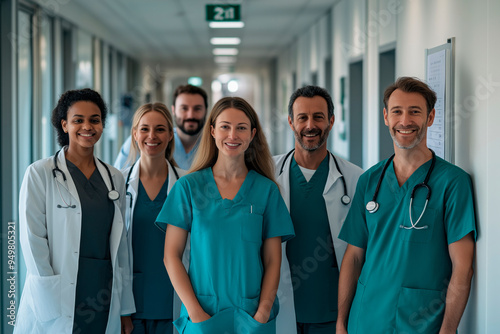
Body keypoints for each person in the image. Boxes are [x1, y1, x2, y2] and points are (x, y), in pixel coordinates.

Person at [337, 77, 477, 334]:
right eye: (397, 112)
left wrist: (448, 330)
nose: (405, 121)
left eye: (415, 112)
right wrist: (341, 323)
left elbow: (463, 267)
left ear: (430, 117)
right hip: (366, 319)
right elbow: (354, 256)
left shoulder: (452, 182)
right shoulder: (370, 180)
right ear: (386, 117)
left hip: (423, 322)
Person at [156, 97, 295, 334]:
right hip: (202, 314)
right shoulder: (189, 188)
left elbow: (273, 261)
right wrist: (195, 313)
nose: (233, 135)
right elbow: (171, 256)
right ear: (212, 131)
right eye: (225, 127)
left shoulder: (266, 191)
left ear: (252, 134)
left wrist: (262, 311)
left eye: (241, 128)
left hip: (251, 316)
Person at [16, 88, 135, 334]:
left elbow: (121, 245)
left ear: (103, 124)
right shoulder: (40, 173)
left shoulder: (114, 178)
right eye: (78, 120)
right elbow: (32, 240)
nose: (87, 127)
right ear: (65, 125)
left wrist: (124, 308)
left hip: (102, 294)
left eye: (95, 119)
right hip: (57, 295)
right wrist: (48, 296)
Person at [274, 85, 363, 334]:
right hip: (277, 305)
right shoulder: (267, 174)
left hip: (332, 311)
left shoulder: (355, 179)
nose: (310, 125)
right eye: (302, 117)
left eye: (318, 117)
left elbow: (361, 250)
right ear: (291, 122)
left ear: (331, 121)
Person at [122, 103, 185, 333]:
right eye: (144, 128)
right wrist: (121, 310)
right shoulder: (117, 184)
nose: (152, 136)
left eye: (160, 129)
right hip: (131, 307)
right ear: (135, 134)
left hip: (175, 303)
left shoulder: (187, 184)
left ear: (170, 134)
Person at [114, 84, 208, 170]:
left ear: (206, 111)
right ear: (173, 110)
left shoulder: (214, 145)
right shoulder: (140, 141)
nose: (190, 115)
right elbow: (117, 181)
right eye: (184, 108)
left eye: (197, 109)